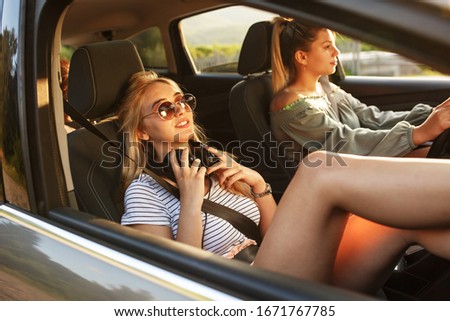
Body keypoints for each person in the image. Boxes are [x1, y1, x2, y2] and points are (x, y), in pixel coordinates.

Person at [118, 70, 450, 295]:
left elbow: (277, 235)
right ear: (142, 131)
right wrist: (190, 202)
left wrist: (260, 187)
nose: (180, 110)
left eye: (181, 100)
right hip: (242, 295)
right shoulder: (144, 191)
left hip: (278, 271)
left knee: (390, 221)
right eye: (164, 109)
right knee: (318, 166)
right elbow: (176, 283)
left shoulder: (213, 159)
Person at [270, 17, 450, 162]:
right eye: (327, 47)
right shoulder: (290, 104)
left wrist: (431, 115)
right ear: (302, 57)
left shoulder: (326, 88)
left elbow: (374, 119)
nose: (336, 52)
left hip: (355, 168)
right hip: (335, 182)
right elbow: (344, 142)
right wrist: (418, 133)